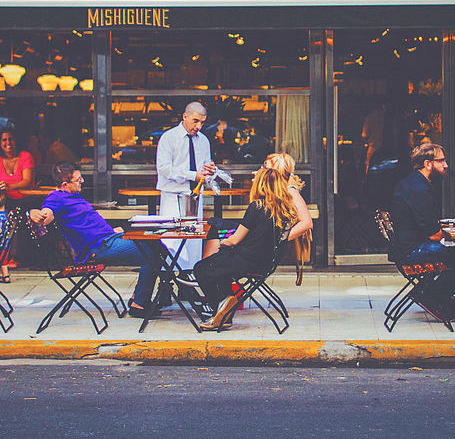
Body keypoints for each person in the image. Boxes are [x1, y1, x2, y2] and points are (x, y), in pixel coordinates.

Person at [29, 161, 161, 318]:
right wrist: (34, 213)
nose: (82, 181)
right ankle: (139, 303)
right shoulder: (56, 199)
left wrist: (111, 231)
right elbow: (46, 215)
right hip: (99, 247)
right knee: (153, 253)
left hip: (109, 238)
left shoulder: (73, 195)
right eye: (78, 180)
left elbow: (86, 223)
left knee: (158, 246)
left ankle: (138, 299)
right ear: (64, 184)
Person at [193, 167, 309, 330]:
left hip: (247, 261)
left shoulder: (257, 207)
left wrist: (221, 243)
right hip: (266, 263)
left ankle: (221, 307)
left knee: (201, 268)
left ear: (261, 185)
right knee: (219, 268)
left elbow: (235, 240)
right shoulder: (285, 210)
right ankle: (225, 310)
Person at [390, 143, 455, 321]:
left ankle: (437, 296)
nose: (446, 165)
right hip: (413, 250)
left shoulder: (416, 183)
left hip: (407, 245)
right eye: (441, 161)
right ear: (428, 163)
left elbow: (430, 225)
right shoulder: (418, 189)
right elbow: (433, 234)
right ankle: (433, 297)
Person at [155, 101, 216, 270]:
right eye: (195, 121)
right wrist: (192, 175)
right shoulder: (169, 138)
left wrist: (210, 172)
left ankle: (187, 281)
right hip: (173, 195)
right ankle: (166, 284)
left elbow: (205, 168)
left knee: (193, 242)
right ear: (185, 116)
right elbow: (164, 168)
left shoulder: (203, 141)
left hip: (195, 196)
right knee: (171, 241)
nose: (199, 126)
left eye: (202, 123)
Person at [0, 128, 35, 201]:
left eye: (11, 139)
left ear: (16, 141)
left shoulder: (26, 156)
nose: (8, 142)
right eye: (4, 140)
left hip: (25, 199)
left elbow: (27, 181)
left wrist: (9, 187)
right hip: (4, 200)